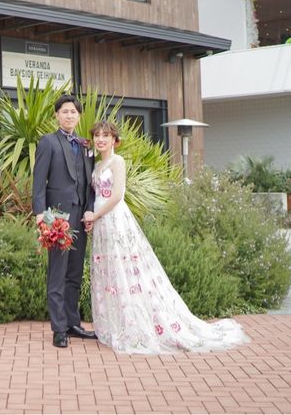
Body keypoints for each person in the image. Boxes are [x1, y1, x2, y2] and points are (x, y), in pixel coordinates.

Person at [83, 121, 250, 354]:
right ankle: (116, 325)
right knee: (110, 271)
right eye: (97, 135)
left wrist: (96, 214)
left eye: (105, 135)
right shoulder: (97, 164)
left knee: (125, 269)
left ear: (114, 140)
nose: (100, 139)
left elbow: (117, 195)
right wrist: (91, 216)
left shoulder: (117, 161)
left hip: (115, 219)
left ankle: (137, 325)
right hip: (102, 223)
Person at [33, 94, 97, 348]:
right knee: (57, 274)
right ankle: (59, 329)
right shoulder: (48, 142)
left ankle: (72, 323)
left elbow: (90, 184)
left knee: (74, 273)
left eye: (73, 112)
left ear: (79, 116)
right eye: (65, 111)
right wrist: (40, 214)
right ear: (57, 115)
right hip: (57, 216)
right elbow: (39, 181)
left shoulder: (85, 145)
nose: (69, 115)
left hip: (80, 216)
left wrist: (90, 211)